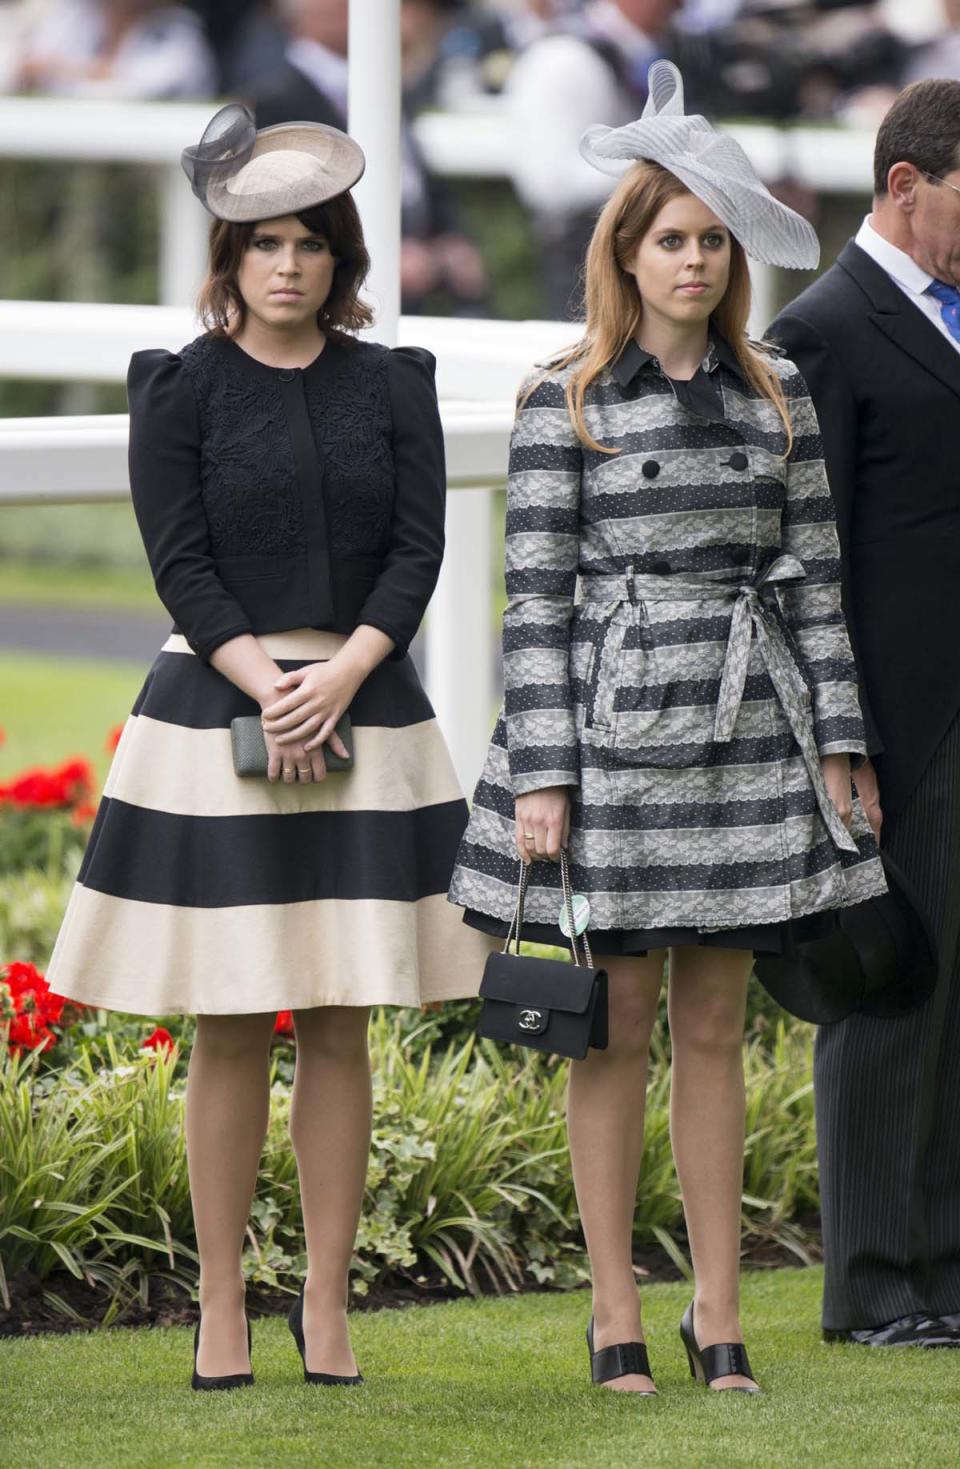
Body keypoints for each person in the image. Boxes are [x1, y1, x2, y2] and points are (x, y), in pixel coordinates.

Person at [449, 59, 886, 1394]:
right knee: (615, 1024)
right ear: (625, 256)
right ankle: (611, 1312)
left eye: (709, 240)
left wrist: (844, 747)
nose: (693, 261)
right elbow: (534, 606)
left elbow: (815, 581)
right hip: (615, 739)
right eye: (669, 240)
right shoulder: (562, 401)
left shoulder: (779, 399)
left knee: (715, 1029)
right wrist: (542, 775)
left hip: (753, 735)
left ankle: (718, 1312)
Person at [45, 102, 489, 1390]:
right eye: (262, 244)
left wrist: (340, 674)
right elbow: (178, 560)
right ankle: (224, 1304)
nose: (286, 264)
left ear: (340, 258)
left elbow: (419, 548)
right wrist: (268, 685)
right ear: (227, 258)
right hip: (216, 702)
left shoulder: (391, 383)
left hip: (367, 699)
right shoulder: (175, 388)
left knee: (343, 1018)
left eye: (308, 243)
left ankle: (330, 1304)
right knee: (234, 1022)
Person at [769, 77, 960, 1348]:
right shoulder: (823, 328)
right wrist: (838, 743)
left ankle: (941, 1271)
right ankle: (876, 1286)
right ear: (907, 184)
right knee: (894, 998)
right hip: (898, 724)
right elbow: (803, 554)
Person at [250, 0, 489, 315]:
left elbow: (418, 175)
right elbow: (293, 206)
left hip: (428, 275)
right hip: (346, 288)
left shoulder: (382, 81)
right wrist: (378, 254)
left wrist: (452, 239)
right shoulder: (278, 98)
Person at [505, 0, 681, 317]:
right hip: (587, 257)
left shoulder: (644, 52)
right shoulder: (562, 57)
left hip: (642, 254)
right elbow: (549, 183)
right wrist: (658, 163)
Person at [12, 0, 216, 98]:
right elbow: (26, 66)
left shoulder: (179, 32)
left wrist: (61, 70)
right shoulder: (74, 14)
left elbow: (141, 89)